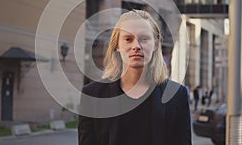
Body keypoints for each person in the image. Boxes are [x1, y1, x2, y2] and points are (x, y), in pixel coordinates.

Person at [78, 10, 191, 145]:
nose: (136, 46)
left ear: (155, 44)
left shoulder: (177, 95)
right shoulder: (92, 95)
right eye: (128, 39)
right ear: (117, 46)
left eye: (144, 39)